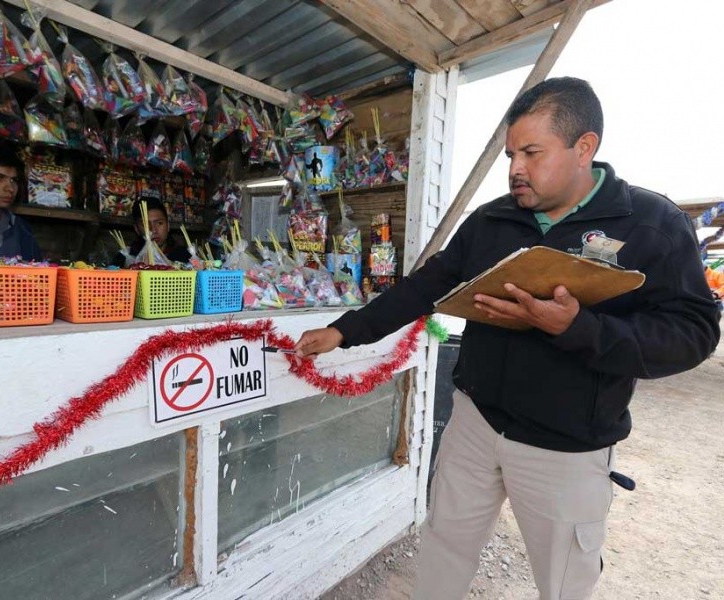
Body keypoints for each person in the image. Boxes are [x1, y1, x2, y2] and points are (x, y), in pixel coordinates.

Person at [295, 77, 720, 599]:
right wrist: (345, 330)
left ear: (584, 147)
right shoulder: (493, 218)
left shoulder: (651, 224)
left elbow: (693, 332)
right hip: (476, 422)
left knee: (565, 579)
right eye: (511, 154)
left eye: (532, 152)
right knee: (444, 549)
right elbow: (431, 283)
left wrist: (579, 328)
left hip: (567, 446)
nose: (516, 168)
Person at [111, 197, 190, 266]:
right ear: (137, 229)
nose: (153, 230)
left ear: (168, 226)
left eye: (159, 223)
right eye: (146, 225)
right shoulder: (126, 257)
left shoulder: (184, 256)